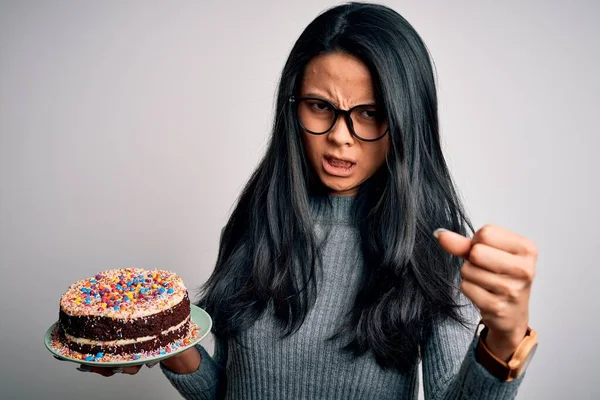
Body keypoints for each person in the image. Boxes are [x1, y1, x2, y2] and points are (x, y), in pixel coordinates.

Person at [80, 3, 539, 399]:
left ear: (405, 122)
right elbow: (235, 392)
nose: (341, 137)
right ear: (291, 107)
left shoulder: (435, 251)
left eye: (370, 114)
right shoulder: (251, 226)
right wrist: (174, 346)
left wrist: (503, 342)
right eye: (320, 106)